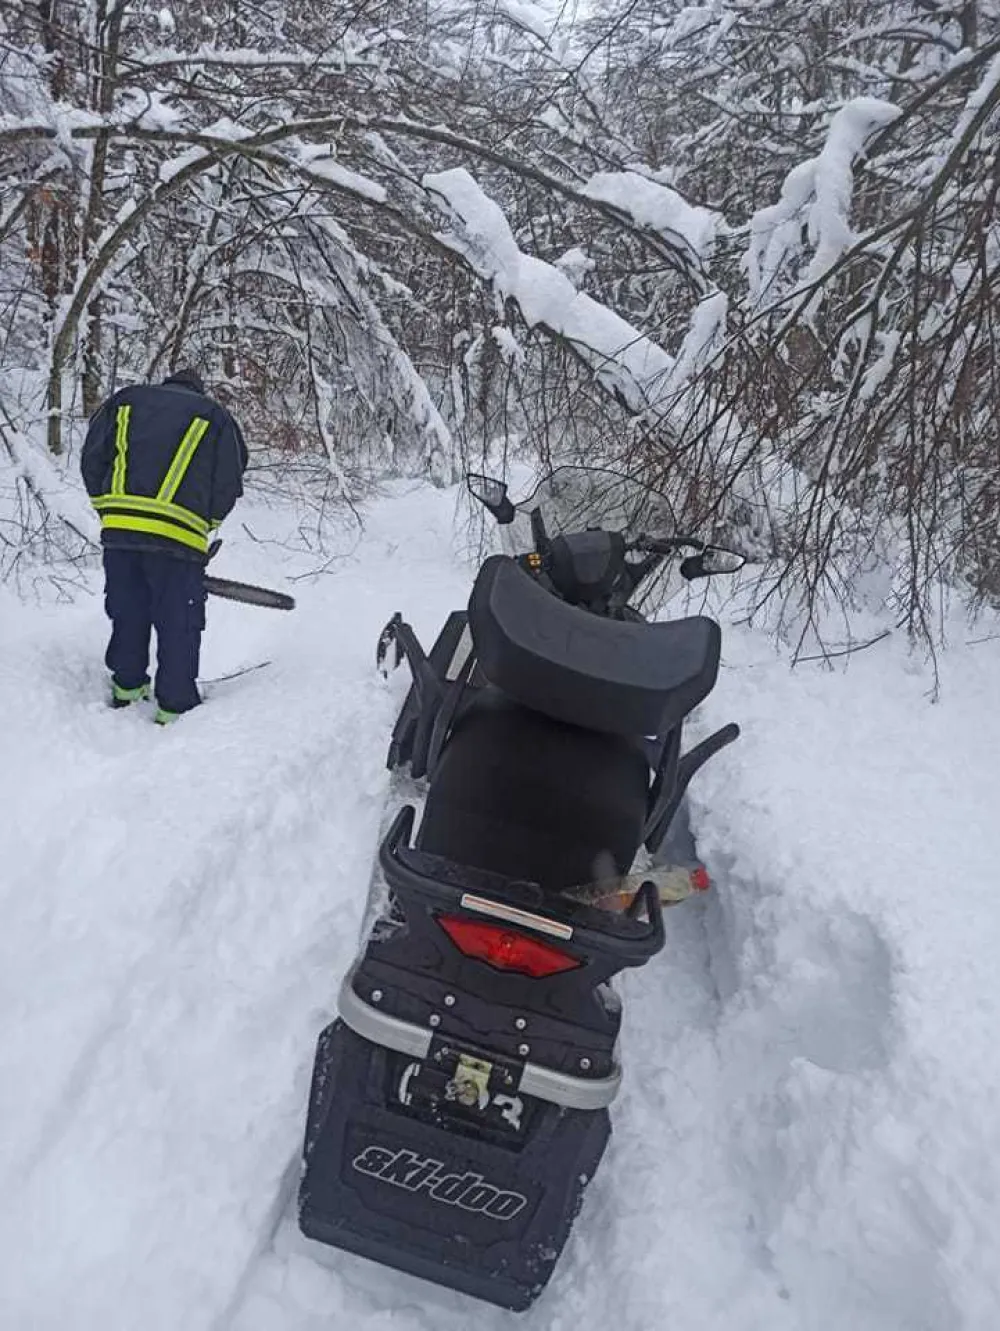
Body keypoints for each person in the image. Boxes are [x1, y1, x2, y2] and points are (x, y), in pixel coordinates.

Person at [81, 367, 249, 724]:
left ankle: (127, 688)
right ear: (197, 389)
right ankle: (174, 706)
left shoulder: (125, 401)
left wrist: (107, 508)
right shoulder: (215, 416)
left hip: (120, 532)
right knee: (178, 621)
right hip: (179, 537)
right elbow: (229, 479)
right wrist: (207, 524)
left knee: (128, 609)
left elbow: (92, 458)